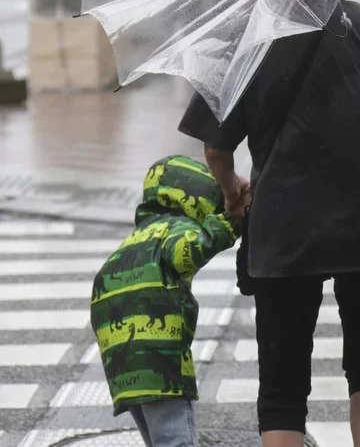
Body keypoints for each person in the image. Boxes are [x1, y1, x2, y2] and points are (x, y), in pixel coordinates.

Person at [179, 0, 360, 446]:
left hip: (285, 221)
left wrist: (231, 189)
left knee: (283, 379)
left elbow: (216, 149)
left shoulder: (243, 37)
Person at [90, 154, 248, 447]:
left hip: (121, 363)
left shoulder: (132, 242)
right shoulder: (174, 229)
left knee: (158, 439)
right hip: (159, 360)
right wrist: (231, 223)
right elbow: (187, 252)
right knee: (175, 440)